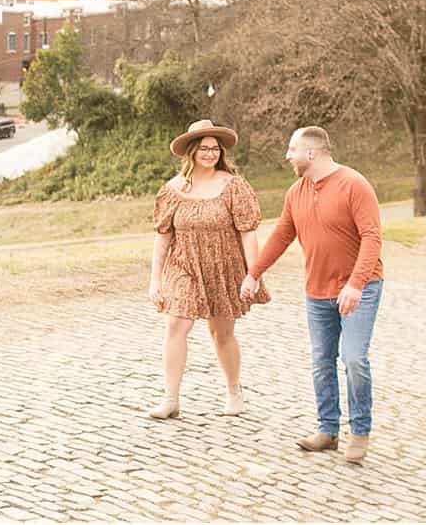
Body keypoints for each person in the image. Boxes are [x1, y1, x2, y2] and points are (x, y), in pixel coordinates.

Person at [242, 126, 383, 464]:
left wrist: (355, 284)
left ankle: (360, 431)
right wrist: (253, 273)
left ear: (311, 153)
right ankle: (328, 429)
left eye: (292, 149)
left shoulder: (354, 185)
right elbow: (280, 236)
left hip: (359, 288)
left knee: (353, 359)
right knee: (322, 361)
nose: (287, 155)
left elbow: (372, 238)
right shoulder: (296, 192)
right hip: (317, 292)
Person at [148, 118, 268, 420]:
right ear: (191, 151)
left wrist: (253, 273)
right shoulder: (172, 190)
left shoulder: (233, 187)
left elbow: (248, 232)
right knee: (176, 325)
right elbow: (162, 238)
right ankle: (170, 398)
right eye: (204, 148)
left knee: (221, 333)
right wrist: (155, 281)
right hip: (183, 264)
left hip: (223, 266)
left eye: (215, 148)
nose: (210, 153)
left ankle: (233, 390)